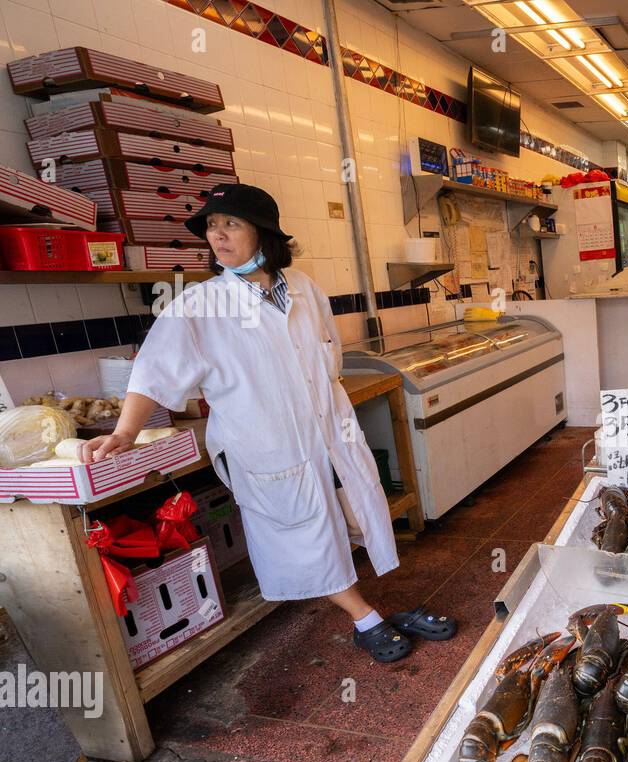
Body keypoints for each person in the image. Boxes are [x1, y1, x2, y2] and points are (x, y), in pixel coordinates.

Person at [79, 184, 456, 663]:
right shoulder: (199, 307)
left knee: (349, 515)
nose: (217, 236)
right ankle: (366, 619)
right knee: (303, 535)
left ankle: (372, 605)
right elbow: (151, 373)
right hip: (264, 447)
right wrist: (124, 433)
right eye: (211, 228)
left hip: (327, 434)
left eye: (230, 224)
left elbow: (327, 357)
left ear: (266, 234)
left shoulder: (303, 288)